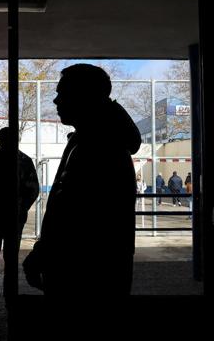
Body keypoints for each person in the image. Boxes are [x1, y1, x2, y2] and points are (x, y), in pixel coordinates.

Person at [22, 64, 141, 337]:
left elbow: (77, 216)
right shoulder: (94, 140)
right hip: (87, 270)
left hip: (85, 275)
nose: (56, 100)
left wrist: (42, 253)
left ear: (85, 97)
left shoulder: (99, 146)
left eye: (62, 93)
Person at [0, 126, 39, 316]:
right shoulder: (23, 160)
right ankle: (10, 299)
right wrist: (20, 209)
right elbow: (33, 189)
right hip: (13, 219)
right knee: (11, 260)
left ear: (0, 140)